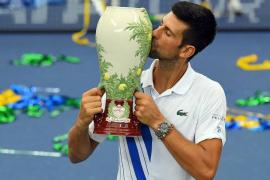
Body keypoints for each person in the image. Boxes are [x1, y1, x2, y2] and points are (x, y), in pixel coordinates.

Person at [68, 1, 226, 180]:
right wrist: (81, 123)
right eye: (161, 24)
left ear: (186, 51)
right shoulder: (124, 82)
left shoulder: (209, 92)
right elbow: (77, 155)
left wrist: (158, 122)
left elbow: (206, 171)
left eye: (167, 33)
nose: (154, 34)